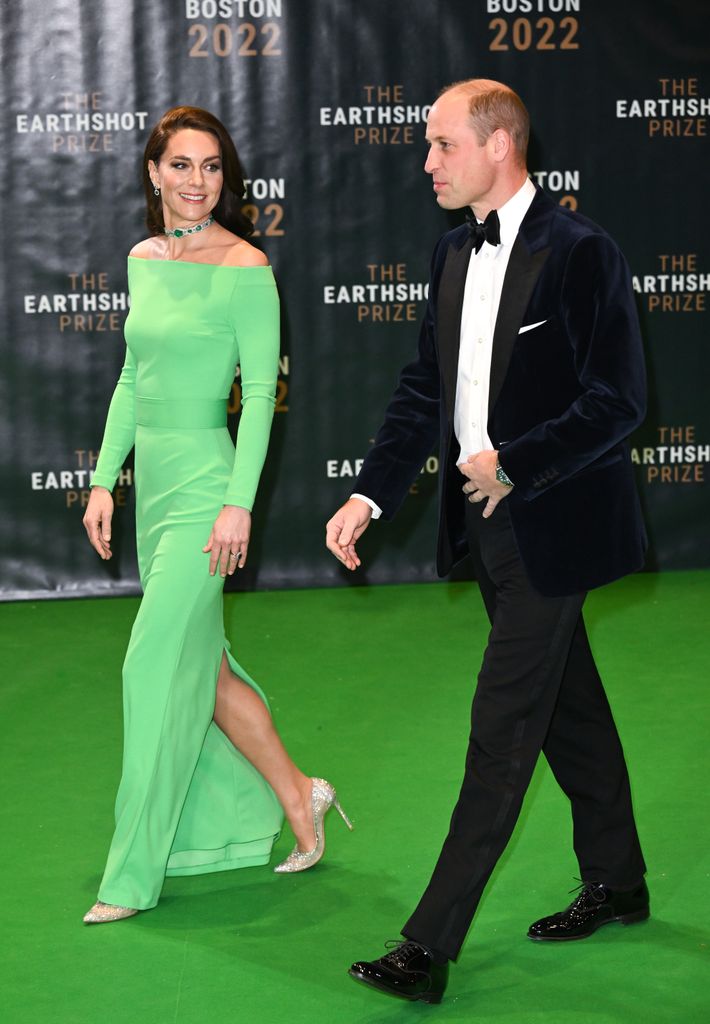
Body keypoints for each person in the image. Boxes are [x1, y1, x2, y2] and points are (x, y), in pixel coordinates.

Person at [326, 79, 648, 1004]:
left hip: (555, 523)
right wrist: (371, 493)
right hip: (485, 526)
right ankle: (619, 881)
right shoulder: (451, 251)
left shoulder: (583, 251)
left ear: (499, 145)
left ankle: (427, 947)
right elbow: (423, 389)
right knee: (569, 710)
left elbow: (618, 400)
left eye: (443, 145)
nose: (427, 162)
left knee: (502, 729)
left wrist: (516, 462)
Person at [82, 106, 351, 925]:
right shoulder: (144, 259)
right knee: (211, 673)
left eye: (211, 167)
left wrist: (238, 503)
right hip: (155, 491)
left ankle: (130, 876)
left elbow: (262, 395)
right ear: (154, 172)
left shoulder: (246, 266)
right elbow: (133, 376)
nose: (198, 181)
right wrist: (104, 479)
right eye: (182, 165)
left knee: (150, 668)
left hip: (206, 485)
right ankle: (299, 795)